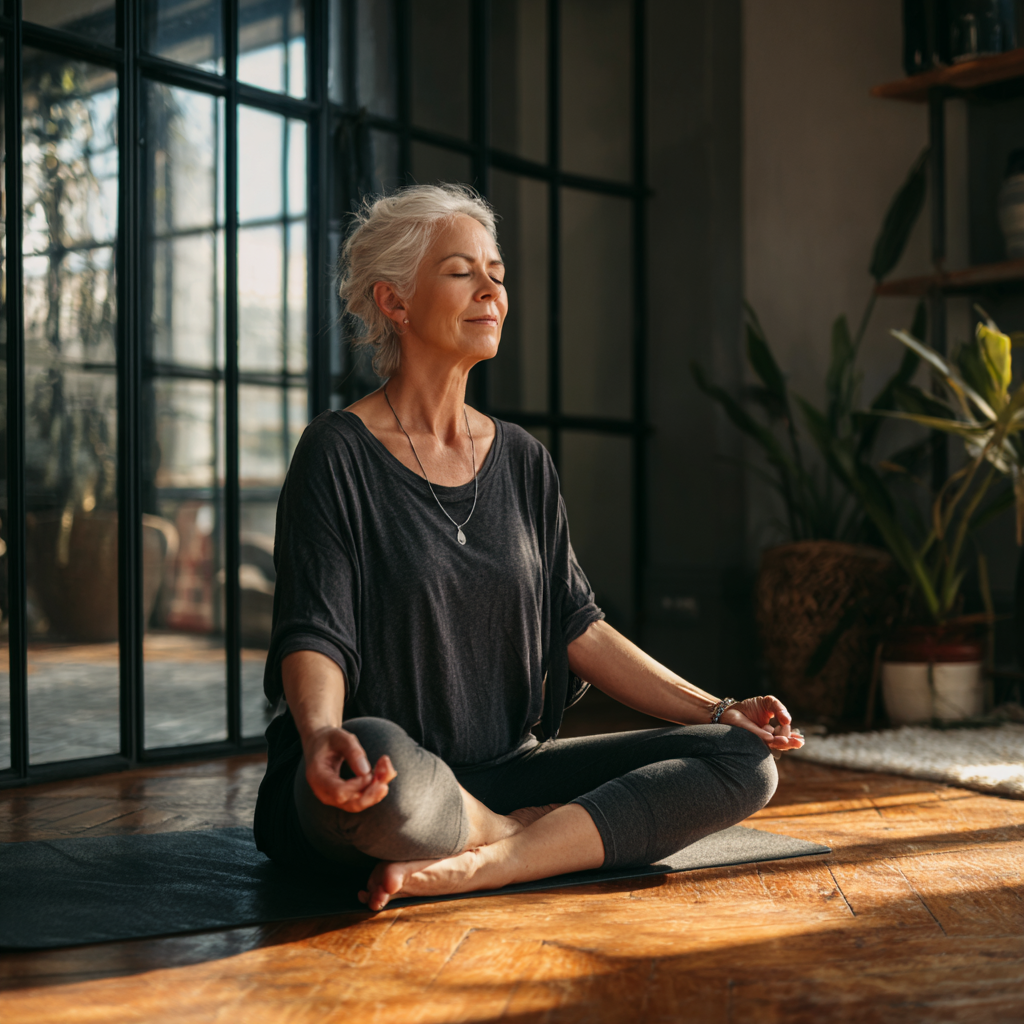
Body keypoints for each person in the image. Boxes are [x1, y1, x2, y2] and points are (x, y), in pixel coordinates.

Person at [253, 183, 803, 913]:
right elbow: (313, 631)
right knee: (376, 774)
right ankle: (524, 840)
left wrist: (717, 708)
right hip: (378, 773)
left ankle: (497, 858)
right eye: (461, 272)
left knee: (743, 762)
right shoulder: (336, 453)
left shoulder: (522, 460)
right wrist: (321, 734)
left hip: (506, 768)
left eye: (497, 274)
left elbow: (579, 626)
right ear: (395, 302)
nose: (491, 291)